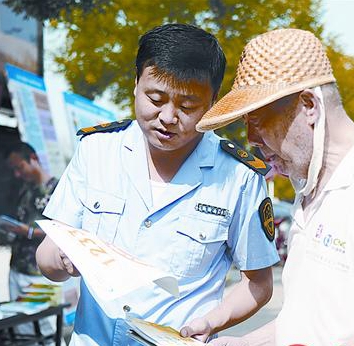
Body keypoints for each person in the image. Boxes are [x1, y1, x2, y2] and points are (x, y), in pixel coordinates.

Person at [195, 28, 354, 346]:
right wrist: (238, 344)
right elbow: (306, 324)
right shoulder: (310, 187)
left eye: (257, 122)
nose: (253, 141)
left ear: (309, 105)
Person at [36, 23, 279, 346]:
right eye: (156, 98)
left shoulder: (238, 177)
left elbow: (259, 283)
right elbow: (48, 252)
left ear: (213, 102)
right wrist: (61, 259)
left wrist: (213, 320)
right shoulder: (96, 151)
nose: (168, 116)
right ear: (136, 84)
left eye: (188, 106)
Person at [4, 142, 60, 337]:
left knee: (46, 330)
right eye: (14, 170)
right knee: (21, 330)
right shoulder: (25, 190)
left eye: (20, 167)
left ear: (34, 159)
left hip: (41, 273)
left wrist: (29, 232)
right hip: (17, 266)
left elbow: (63, 228)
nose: (18, 174)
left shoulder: (58, 188)